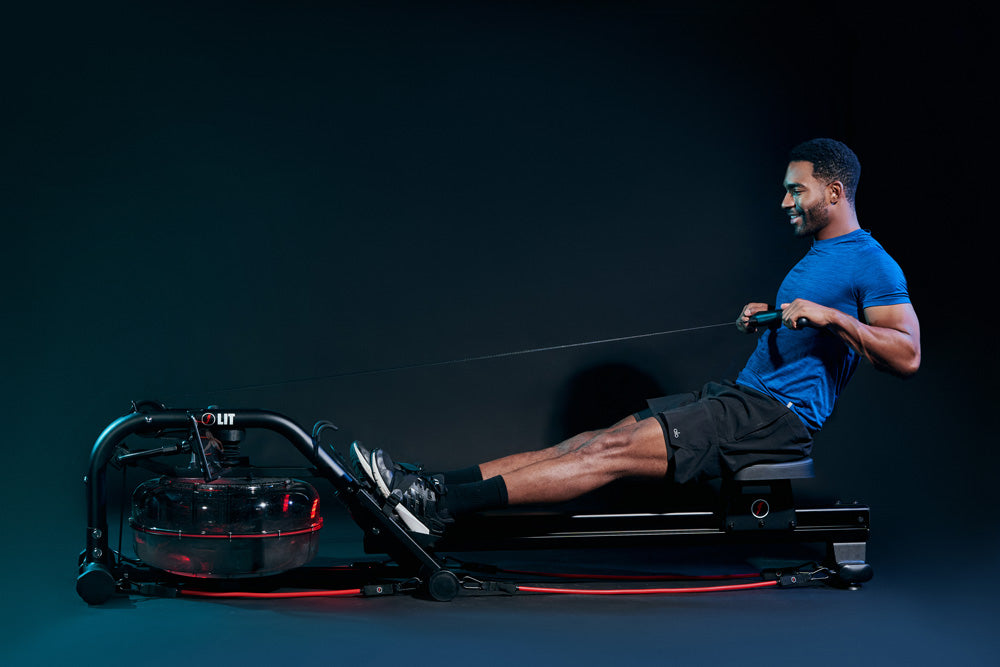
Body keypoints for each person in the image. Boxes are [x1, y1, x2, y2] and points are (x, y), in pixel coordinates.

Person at [350, 138, 921, 536]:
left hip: (776, 417)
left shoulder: (872, 263)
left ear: (835, 191)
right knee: (589, 438)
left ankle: (437, 507)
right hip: (740, 397)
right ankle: (422, 485)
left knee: (609, 453)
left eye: (796, 190)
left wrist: (833, 319)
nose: (785, 202)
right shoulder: (821, 255)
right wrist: (768, 316)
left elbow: (907, 355)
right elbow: (807, 328)